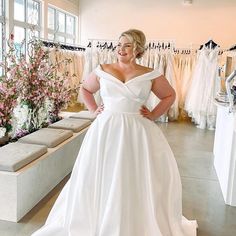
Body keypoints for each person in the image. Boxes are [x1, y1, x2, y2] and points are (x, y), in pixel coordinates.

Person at [32, 29, 197, 236]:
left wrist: (154, 114)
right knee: (102, 172)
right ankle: (97, 218)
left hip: (137, 132)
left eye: (126, 45)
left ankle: (134, 220)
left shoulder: (150, 73)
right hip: (106, 129)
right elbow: (85, 89)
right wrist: (94, 109)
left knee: (133, 174)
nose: (121, 49)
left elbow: (170, 95)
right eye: (118, 45)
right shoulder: (103, 69)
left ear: (137, 48)